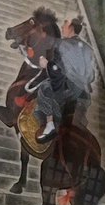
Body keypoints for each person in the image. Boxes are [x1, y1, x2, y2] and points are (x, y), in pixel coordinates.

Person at [34, 15, 95, 144]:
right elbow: (92, 76)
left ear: (71, 28)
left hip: (69, 92)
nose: (62, 27)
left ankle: (50, 125)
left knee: (44, 88)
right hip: (84, 94)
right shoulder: (89, 49)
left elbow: (58, 71)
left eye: (65, 24)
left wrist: (46, 64)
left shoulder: (62, 44)